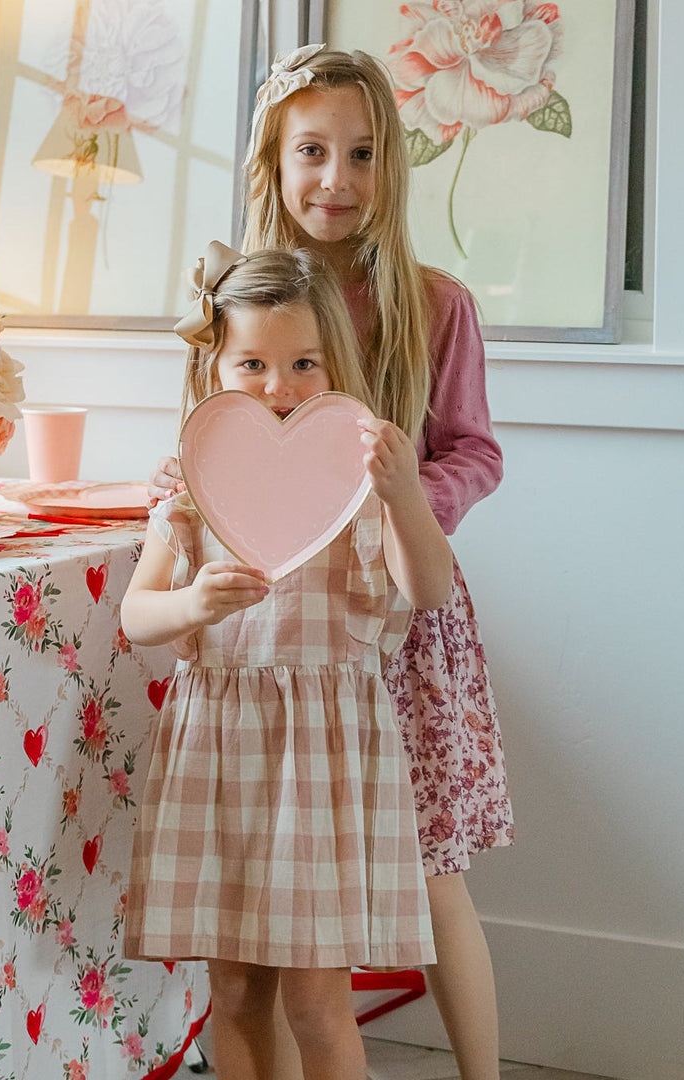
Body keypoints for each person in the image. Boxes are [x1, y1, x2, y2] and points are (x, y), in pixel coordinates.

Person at [148, 46, 513, 1080]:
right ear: (274, 160)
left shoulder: (434, 303)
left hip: (393, 602)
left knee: (427, 865)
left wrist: (395, 501)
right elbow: (209, 438)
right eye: (312, 151)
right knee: (273, 898)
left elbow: (474, 451)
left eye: (361, 154)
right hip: (274, 622)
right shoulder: (242, 300)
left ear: (391, 162)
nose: (336, 179)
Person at [122, 243, 453, 1080]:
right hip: (221, 756)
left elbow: (430, 588)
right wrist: (194, 605)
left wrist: (404, 493)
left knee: (315, 1001)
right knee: (235, 991)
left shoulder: (360, 485)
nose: (279, 386)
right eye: (253, 364)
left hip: (323, 765)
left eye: (305, 362)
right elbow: (137, 613)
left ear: (336, 361)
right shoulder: (192, 491)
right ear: (214, 368)